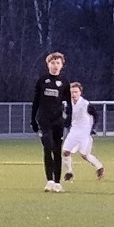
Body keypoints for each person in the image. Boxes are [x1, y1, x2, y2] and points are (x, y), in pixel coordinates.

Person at [31, 52, 72, 192]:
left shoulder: (64, 82)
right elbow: (36, 101)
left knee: (57, 150)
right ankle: (49, 180)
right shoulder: (42, 81)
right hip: (44, 120)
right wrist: (33, 120)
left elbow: (68, 103)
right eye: (53, 63)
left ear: (62, 65)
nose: (55, 65)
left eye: (58, 63)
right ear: (48, 64)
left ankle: (57, 182)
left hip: (58, 121)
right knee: (48, 147)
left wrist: (68, 119)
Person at [62, 82, 105, 182]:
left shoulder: (85, 104)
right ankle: (69, 173)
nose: (73, 94)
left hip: (85, 132)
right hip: (74, 131)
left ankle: (99, 167)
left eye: (76, 92)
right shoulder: (68, 104)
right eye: (72, 92)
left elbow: (96, 115)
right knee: (65, 152)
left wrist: (94, 128)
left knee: (84, 155)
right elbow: (68, 120)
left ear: (80, 92)